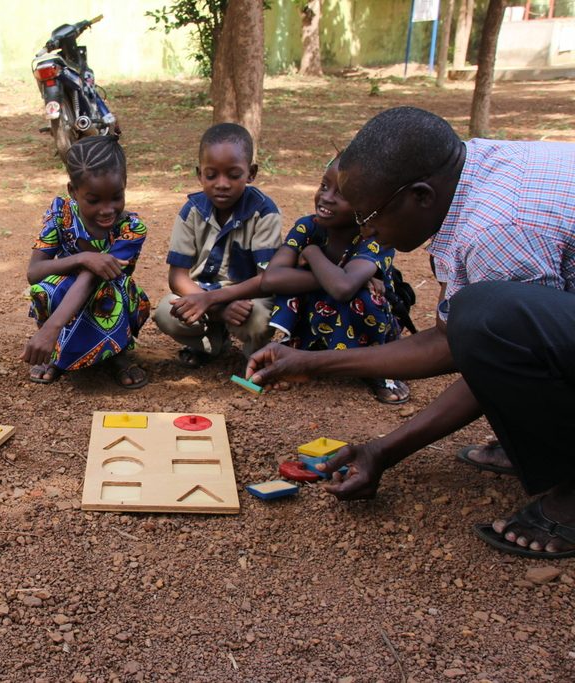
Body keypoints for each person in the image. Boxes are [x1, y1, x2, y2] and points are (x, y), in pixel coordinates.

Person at [246, 106, 575, 559]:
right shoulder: (471, 169)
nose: (365, 229)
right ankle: (535, 443)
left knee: (484, 317)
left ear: (420, 196)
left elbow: (469, 345)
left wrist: (382, 448)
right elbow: (452, 338)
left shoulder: (497, 230)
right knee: (481, 317)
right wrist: (310, 363)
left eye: (368, 215)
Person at [261, 155, 410, 404]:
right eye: (323, 186)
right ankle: (304, 354)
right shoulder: (307, 227)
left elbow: (342, 289)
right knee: (291, 286)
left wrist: (311, 252)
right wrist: (336, 275)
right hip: (319, 316)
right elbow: (271, 279)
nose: (326, 197)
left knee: (365, 297)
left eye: (341, 193)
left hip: (365, 324)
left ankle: (378, 368)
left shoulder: (374, 238)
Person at [22, 135, 151, 389]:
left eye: (116, 197)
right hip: (68, 293)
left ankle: (117, 355)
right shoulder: (61, 215)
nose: (107, 209)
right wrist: (83, 258)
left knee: (113, 290)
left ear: (125, 185)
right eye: (94, 200)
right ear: (73, 191)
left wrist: (52, 327)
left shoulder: (131, 229)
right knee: (47, 289)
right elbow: (34, 272)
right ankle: (59, 354)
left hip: (108, 293)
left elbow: (93, 278)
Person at [152, 123, 282, 369]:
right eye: (211, 175)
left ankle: (256, 357)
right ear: (200, 174)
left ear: (251, 173)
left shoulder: (264, 212)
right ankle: (211, 343)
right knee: (166, 313)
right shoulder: (191, 211)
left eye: (233, 175)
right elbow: (178, 277)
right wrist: (218, 308)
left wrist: (217, 300)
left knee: (259, 319)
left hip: (248, 298)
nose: (222, 184)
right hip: (202, 293)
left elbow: (267, 280)